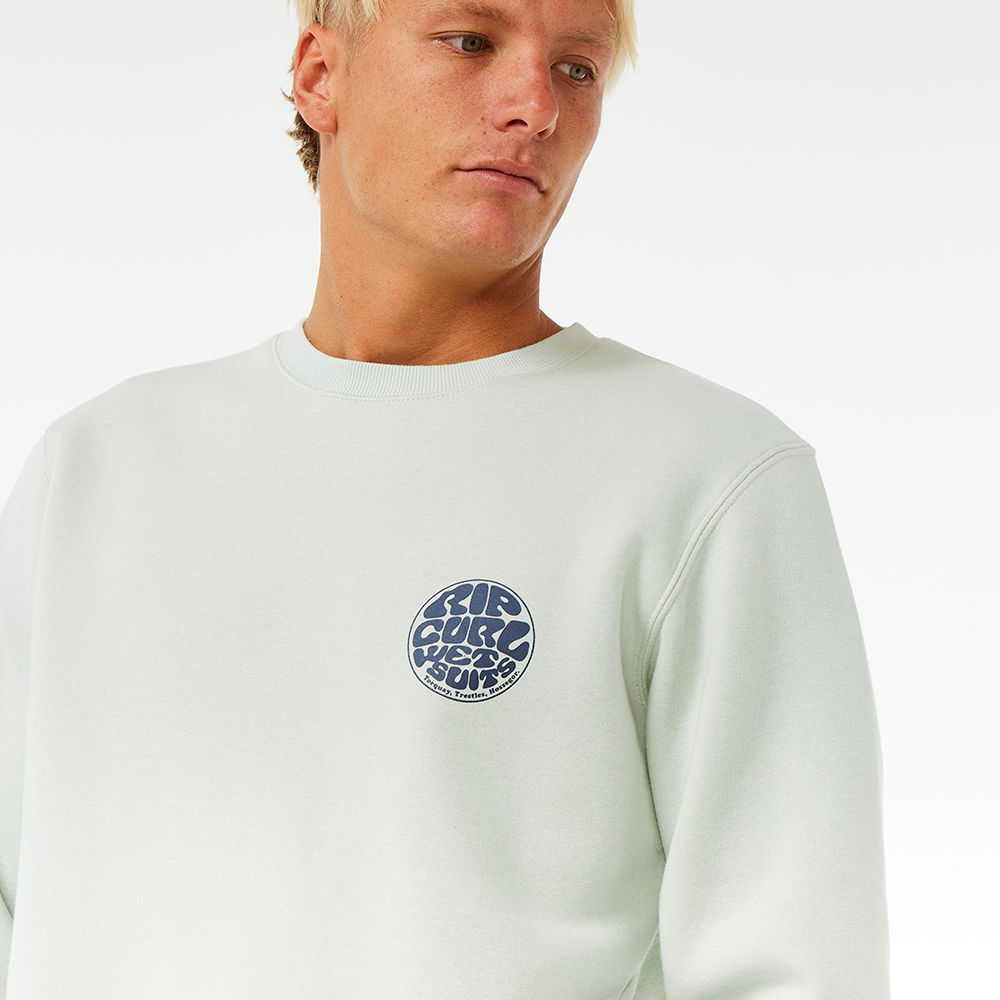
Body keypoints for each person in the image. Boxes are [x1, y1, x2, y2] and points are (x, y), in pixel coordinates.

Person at [0, 0, 891, 997]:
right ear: (319, 75)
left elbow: (792, 964)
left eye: (578, 69)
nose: (535, 106)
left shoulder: (709, 479)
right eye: (471, 42)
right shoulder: (98, 471)